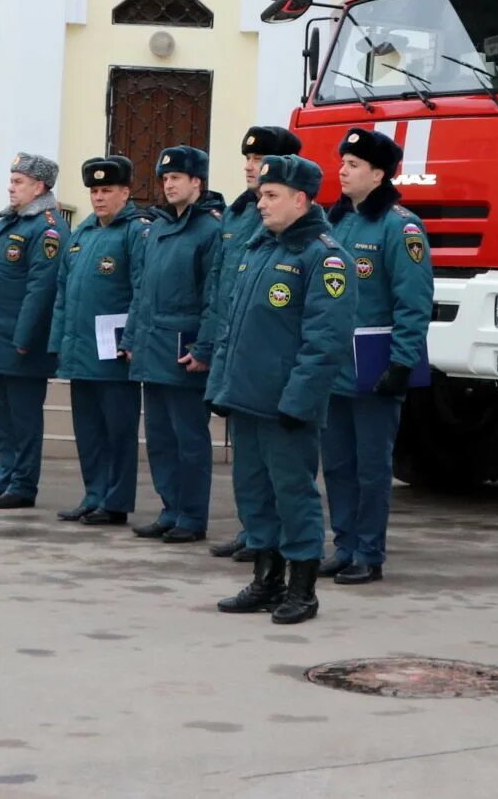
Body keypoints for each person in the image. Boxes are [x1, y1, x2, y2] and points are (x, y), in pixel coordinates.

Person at [208, 155, 353, 625]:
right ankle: (266, 580)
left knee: (293, 495)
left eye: (271, 196)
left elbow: (325, 342)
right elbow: (232, 328)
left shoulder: (324, 257)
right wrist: (220, 387)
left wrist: (299, 401)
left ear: (301, 199)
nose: (261, 202)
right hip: (246, 398)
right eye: (260, 194)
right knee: (253, 493)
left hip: (286, 406)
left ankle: (302, 589)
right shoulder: (259, 249)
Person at [320, 128, 434, 585]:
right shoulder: (336, 221)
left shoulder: (399, 226)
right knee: (338, 464)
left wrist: (402, 363)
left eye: (352, 165)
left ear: (378, 173)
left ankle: (369, 551)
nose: (342, 171)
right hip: (333, 365)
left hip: (375, 365)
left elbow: (413, 301)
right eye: (342, 163)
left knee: (370, 466)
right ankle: (344, 544)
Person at [202, 125, 302, 561]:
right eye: (246, 159)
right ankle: (253, 528)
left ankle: (273, 536)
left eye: (258, 160)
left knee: (273, 457)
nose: (249, 167)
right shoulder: (240, 212)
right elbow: (219, 282)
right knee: (244, 454)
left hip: (269, 349)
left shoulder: (293, 221)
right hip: (233, 342)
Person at [121, 146, 224, 543]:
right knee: (161, 438)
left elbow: (214, 296)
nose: (169, 185)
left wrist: (204, 348)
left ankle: (192, 516)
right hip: (152, 345)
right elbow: (142, 289)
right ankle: (170, 508)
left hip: (184, 349)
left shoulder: (211, 230)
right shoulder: (159, 227)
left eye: (176, 178)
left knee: (189, 439)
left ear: (196, 182)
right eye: (165, 179)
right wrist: (131, 337)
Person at [48, 156, 150, 526]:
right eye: (94, 190)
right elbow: (63, 291)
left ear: (125, 192)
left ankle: (116, 500)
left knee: (117, 430)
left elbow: (142, 289)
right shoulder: (84, 234)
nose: (99, 197)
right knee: (88, 430)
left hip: (115, 351)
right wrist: (58, 338)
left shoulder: (136, 231)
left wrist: (134, 338)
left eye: (107, 190)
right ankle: (93, 494)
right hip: (80, 348)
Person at [0, 153, 65, 510]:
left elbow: (42, 288)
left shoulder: (47, 228)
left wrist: (24, 339)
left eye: (18, 181)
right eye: (11, 179)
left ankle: (23, 484)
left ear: (39, 187)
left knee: (24, 418)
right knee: (4, 418)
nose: (10, 186)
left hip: (21, 344)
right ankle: (4, 478)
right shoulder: (10, 223)